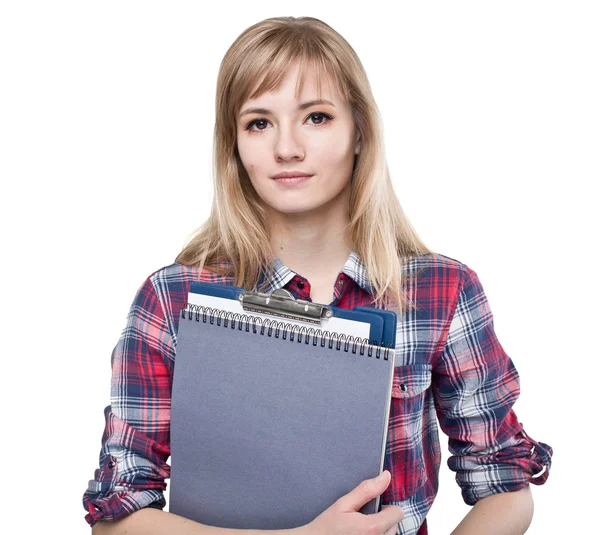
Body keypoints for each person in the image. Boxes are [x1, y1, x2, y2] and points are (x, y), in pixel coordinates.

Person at [82, 16, 553, 535]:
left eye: (317, 117)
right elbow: (117, 515)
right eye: (258, 122)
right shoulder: (173, 299)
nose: (287, 148)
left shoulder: (441, 292)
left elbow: (505, 488)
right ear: (234, 147)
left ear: (359, 133)